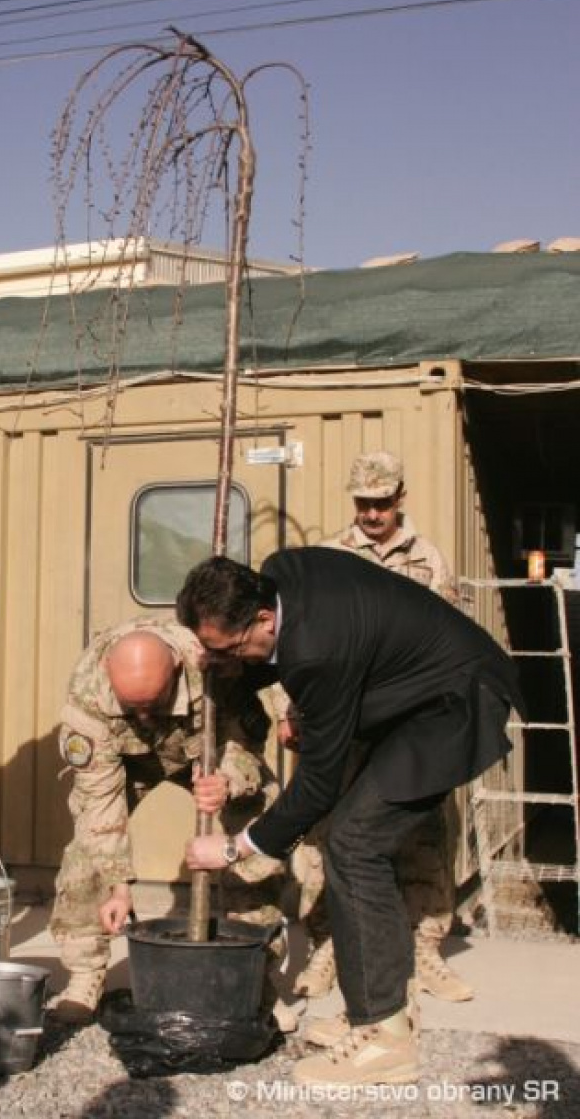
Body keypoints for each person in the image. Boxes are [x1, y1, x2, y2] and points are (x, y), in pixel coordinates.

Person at [177, 550, 520, 1087]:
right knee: (350, 843)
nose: (228, 659)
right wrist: (231, 669)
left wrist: (234, 847)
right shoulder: (280, 572)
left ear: (264, 619)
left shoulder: (316, 653)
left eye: (231, 649)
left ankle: (385, 1039)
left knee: (355, 845)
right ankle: (383, 1009)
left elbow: (317, 784)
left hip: (455, 703)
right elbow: (308, 659)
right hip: (407, 692)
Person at [48, 617, 296, 1030]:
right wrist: (119, 886)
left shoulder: (212, 660)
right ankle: (85, 973)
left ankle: (258, 980)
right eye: (133, 708)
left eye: (154, 703)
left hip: (210, 750)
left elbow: (246, 735)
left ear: (178, 669)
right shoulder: (89, 696)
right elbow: (100, 803)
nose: (145, 718)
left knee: (257, 831)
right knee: (89, 850)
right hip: (129, 761)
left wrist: (229, 780)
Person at [294, 450, 472, 1010]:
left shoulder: (428, 560)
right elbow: (302, 641)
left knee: (424, 835)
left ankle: (425, 950)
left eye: (381, 503)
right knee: (329, 835)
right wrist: (290, 711)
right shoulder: (329, 557)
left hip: (410, 724)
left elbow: (449, 638)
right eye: (363, 503)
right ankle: (329, 947)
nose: (372, 514)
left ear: (400, 498)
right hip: (345, 723)